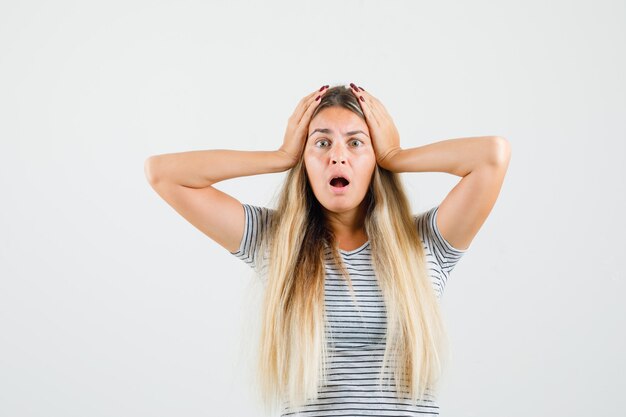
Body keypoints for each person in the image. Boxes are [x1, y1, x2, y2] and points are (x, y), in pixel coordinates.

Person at [144, 83, 511, 416]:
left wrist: (397, 155)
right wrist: (280, 156)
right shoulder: (275, 241)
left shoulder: (425, 242)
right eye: (321, 143)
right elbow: (163, 173)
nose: (338, 157)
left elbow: (492, 156)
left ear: (375, 161)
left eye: (355, 143)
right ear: (305, 160)